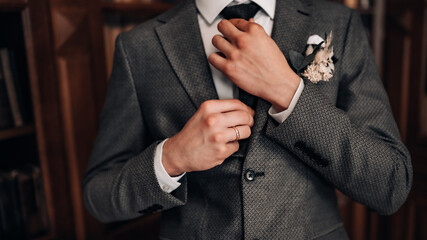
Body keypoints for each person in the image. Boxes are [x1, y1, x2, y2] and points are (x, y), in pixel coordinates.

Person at [82, 0, 413, 239]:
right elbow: (99, 196)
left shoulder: (339, 23)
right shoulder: (138, 46)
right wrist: (171, 157)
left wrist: (289, 92)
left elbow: (391, 184)